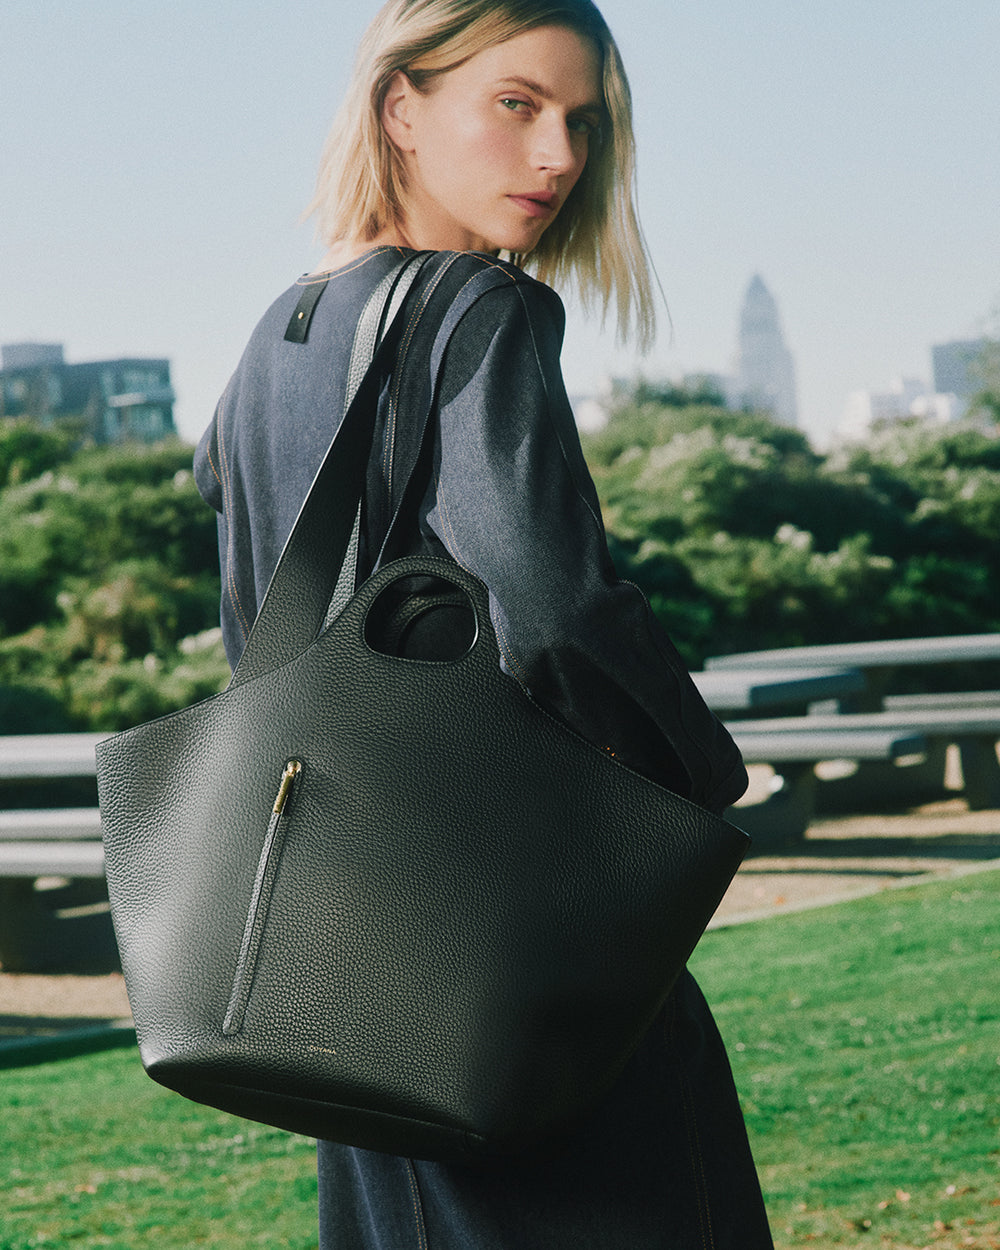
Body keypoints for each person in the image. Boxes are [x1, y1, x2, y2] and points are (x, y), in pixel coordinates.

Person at [194, 1, 774, 1245]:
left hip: (344, 963)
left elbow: (252, 619)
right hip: (515, 941)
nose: (559, 156)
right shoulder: (478, 311)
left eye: (581, 120)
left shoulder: (272, 339)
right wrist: (695, 779)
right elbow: (553, 603)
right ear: (401, 109)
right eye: (515, 104)